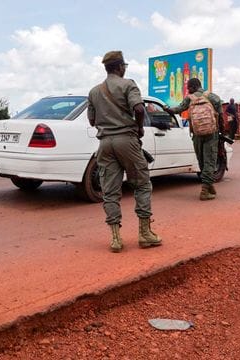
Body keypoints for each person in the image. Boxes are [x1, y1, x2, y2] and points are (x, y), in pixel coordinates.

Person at [87, 50, 161, 253]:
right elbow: (138, 109)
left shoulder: (94, 91)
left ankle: (116, 239)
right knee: (142, 184)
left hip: (105, 144)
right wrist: (138, 127)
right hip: (127, 141)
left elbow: (92, 120)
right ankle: (145, 234)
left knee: (110, 190)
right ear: (120, 67)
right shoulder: (128, 84)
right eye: (124, 66)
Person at [166, 78, 223, 201]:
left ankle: (208, 186)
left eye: (188, 87)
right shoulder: (212, 97)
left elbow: (177, 109)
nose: (188, 90)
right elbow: (220, 114)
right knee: (210, 160)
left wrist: (167, 109)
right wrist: (222, 132)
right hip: (211, 133)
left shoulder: (189, 98)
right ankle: (205, 190)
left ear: (193, 87)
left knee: (201, 160)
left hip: (196, 133)